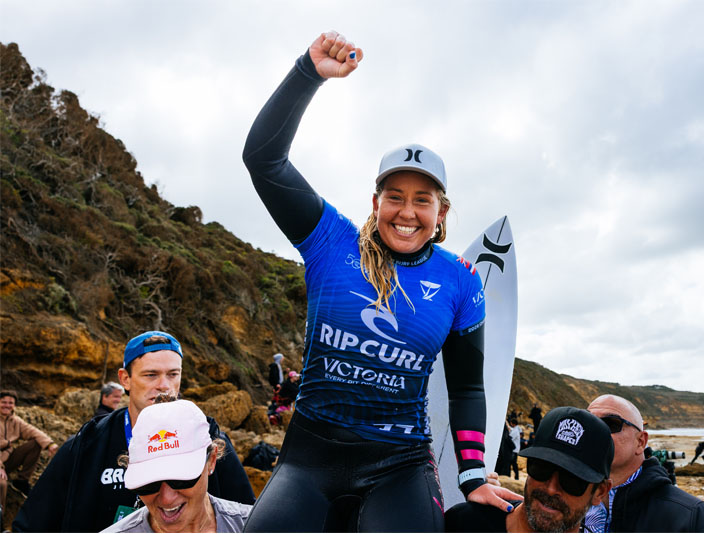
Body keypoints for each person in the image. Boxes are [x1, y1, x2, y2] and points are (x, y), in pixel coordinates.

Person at [241, 30, 519, 532]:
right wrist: (307, 73)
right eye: (395, 196)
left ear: (441, 212)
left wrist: (473, 474)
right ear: (376, 203)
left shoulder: (460, 282)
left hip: (400, 464)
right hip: (310, 457)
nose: (406, 212)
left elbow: (466, 387)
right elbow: (263, 160)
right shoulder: (331, 241)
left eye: (422, 200)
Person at [13, 331, 255, 532]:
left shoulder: (207, 438)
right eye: (151, 375)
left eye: (173, 374)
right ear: (125, 379)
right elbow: (32, 523)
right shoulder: (88, 444)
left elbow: (248, 518)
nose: (164, 386)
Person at [445, 406, 614, 533]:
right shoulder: (464, 523)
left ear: (600, 492)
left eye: (572, 480)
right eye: (541, 468)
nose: (551, 489)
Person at [102, 398, 252, 533]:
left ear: (211, 461)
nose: (166, 499)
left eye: (181, 479)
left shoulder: (255, 526)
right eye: (149, 484)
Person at [585, 394, 704, 532]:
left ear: (640, 442)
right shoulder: (572, 503)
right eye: (587, 423)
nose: (595, 432)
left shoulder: (693, 518)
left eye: (610, 424)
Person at [0, 390, 59, 508]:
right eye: (3, 402)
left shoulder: (15, 421)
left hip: (8, 459)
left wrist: (50, 444)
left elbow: (33, 431)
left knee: (36, 443)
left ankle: (22, 481)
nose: (7, 405)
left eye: (10, 403)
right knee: (1, 484)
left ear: (14, 405)